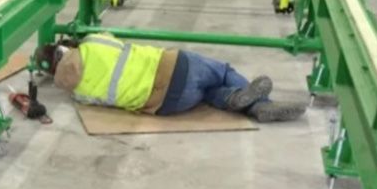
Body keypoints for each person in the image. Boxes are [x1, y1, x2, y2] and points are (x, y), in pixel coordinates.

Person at [37, 34, 306, 122]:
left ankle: (236, 100)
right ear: (63, 48)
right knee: (221, 72)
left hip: (166, 105)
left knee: (208, 94)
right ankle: (260, 103)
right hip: (175, 68)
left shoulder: (77, 93)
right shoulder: (94, 42)